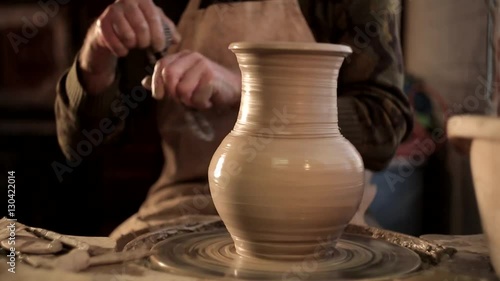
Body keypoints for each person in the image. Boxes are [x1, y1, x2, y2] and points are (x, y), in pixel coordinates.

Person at [54, 0, 412, 246]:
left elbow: (384, 126)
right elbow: (82, 146)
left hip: (321, 212)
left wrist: (249, 89)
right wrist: (98, 53)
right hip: (183, 205)